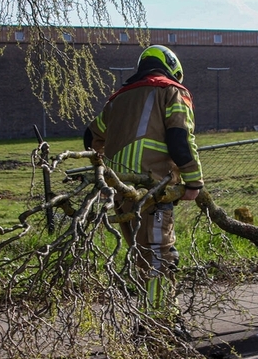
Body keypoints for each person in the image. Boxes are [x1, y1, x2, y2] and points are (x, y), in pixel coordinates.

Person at [85, 44, 204, 321]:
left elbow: (90, 137)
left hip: (121, 191)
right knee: (160, 257)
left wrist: (103, 174)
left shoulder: (118, 99)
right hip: (154, 190)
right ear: (172, 67)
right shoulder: (171, 91)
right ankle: (161, 323)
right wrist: (193, 182)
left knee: (141, 256)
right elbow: (181, 138)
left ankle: (150, 318)